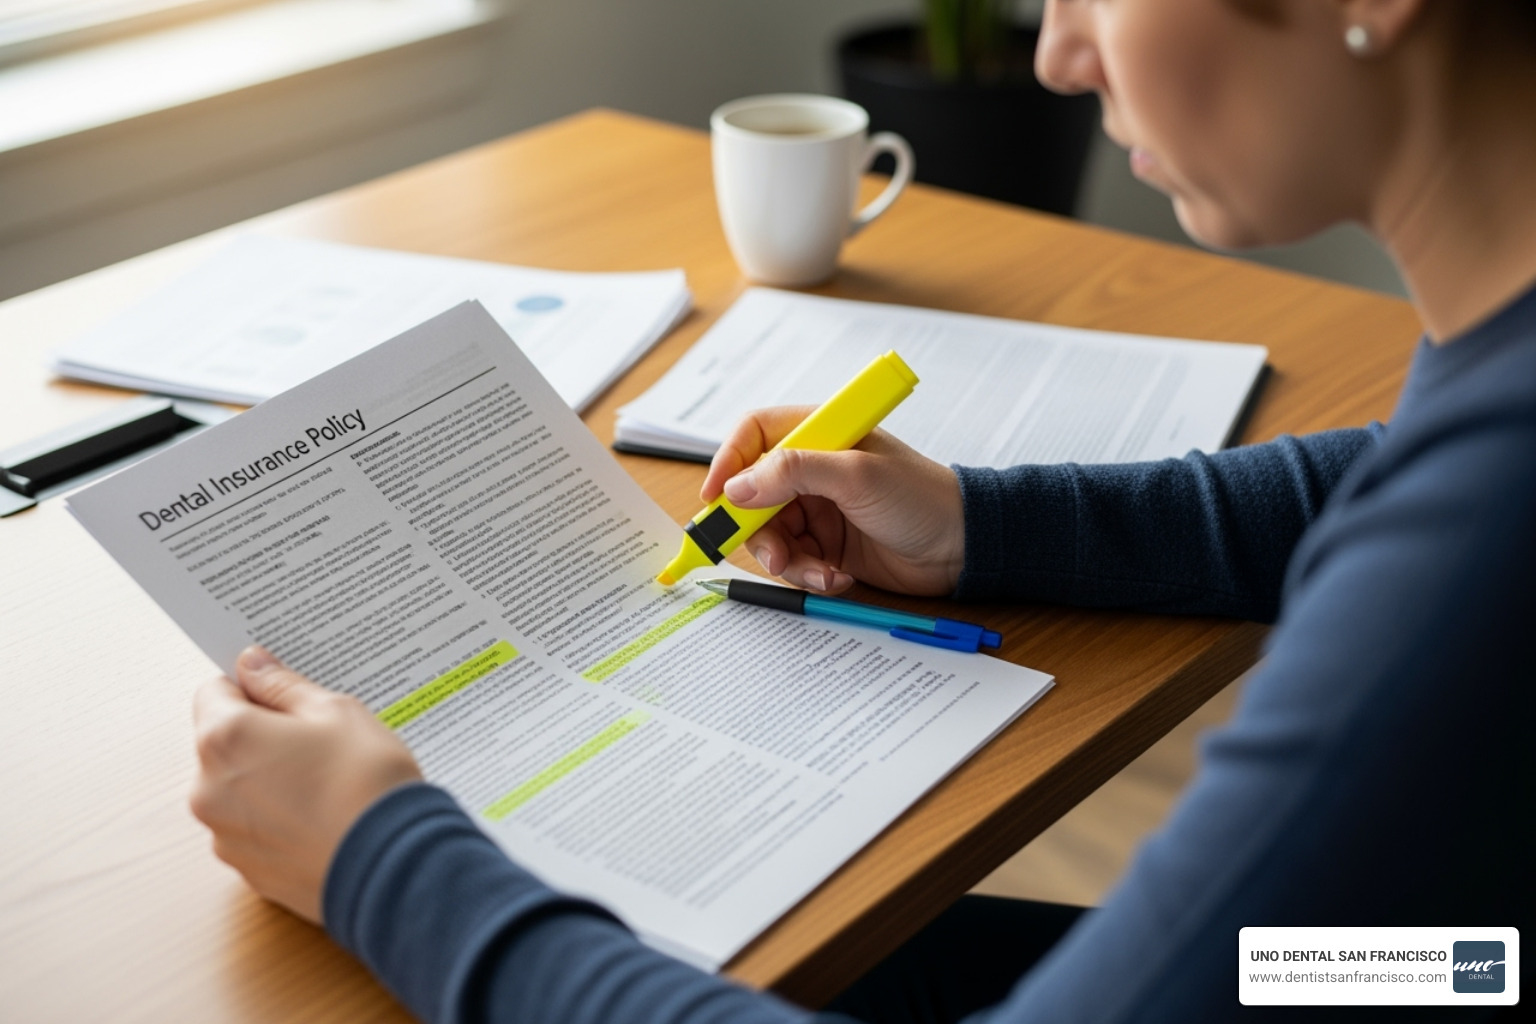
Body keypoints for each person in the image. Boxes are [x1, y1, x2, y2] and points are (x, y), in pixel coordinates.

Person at [189, 0, 1535, 1020]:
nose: (1061, 54)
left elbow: (1446, 520)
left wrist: (384, 865)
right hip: (1462, 965)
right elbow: (1389, 476)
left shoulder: (1489, 519)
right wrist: (980, 526)